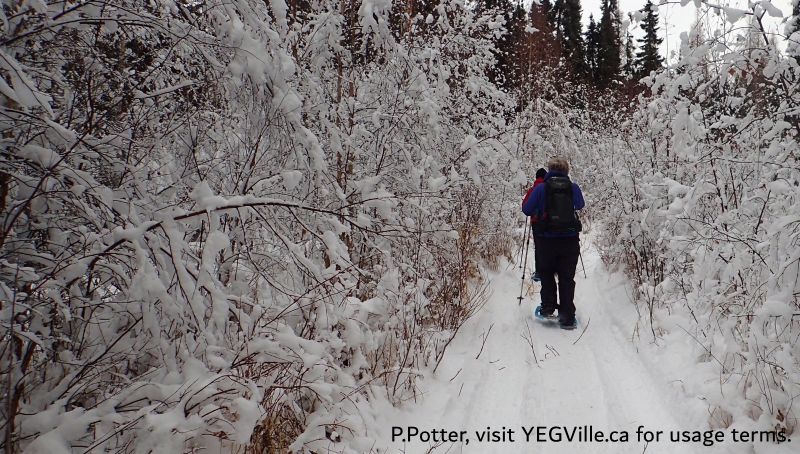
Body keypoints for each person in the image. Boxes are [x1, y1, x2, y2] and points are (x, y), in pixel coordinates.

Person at [521, 157, 585, 330]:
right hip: (570, 241)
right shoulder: (573, 187)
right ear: (567, 171)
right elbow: (580, 205)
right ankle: (567, 317)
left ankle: (548, 308)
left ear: (549, 170)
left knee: (547, 274)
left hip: (546, 240)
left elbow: (526, 209)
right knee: (566, 278)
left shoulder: (541, 188)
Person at [522, 168, 547, 282]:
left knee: (539, 246)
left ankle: (539, 273)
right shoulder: (550, 188)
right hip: (549, 222)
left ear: (536, 177)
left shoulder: (532, 190)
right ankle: (549, 270)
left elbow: (525, 207)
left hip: (536, 222)